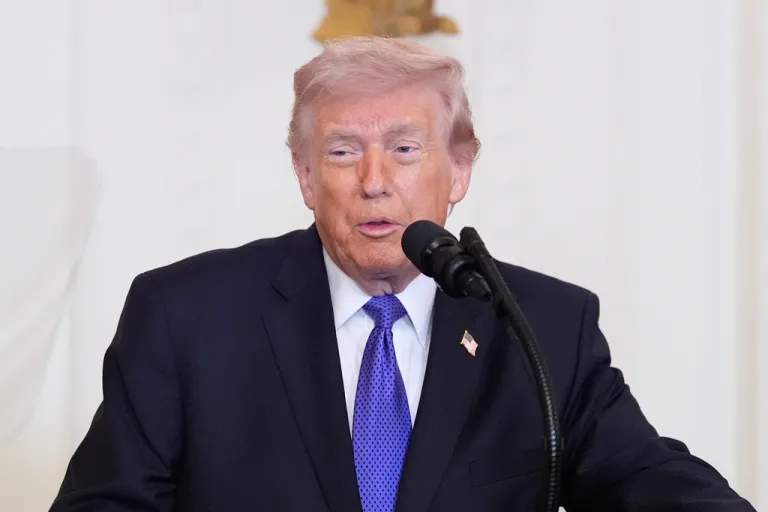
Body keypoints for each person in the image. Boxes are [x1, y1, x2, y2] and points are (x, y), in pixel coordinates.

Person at [51, 36, 755, 511]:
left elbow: (646, 480)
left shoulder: (542, 326)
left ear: (461, 169)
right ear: (303, 175)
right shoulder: (187, 317)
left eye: (406, 148)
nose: (375, 182)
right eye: (342, 152)